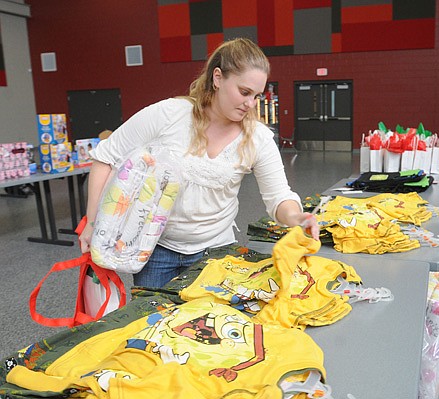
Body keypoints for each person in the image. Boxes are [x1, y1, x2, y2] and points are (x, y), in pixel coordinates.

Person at [79, 38, 319, 288]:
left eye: (256, 96)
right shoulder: (169, 115)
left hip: (216, 254)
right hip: (155, 251)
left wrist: (297, 217)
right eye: (244, 92)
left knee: (206, 325)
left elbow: (279, 196)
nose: (250, 104)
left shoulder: (257, 138)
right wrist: (92, 224)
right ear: (217, 78)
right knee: (151, 323)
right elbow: (105, 156)